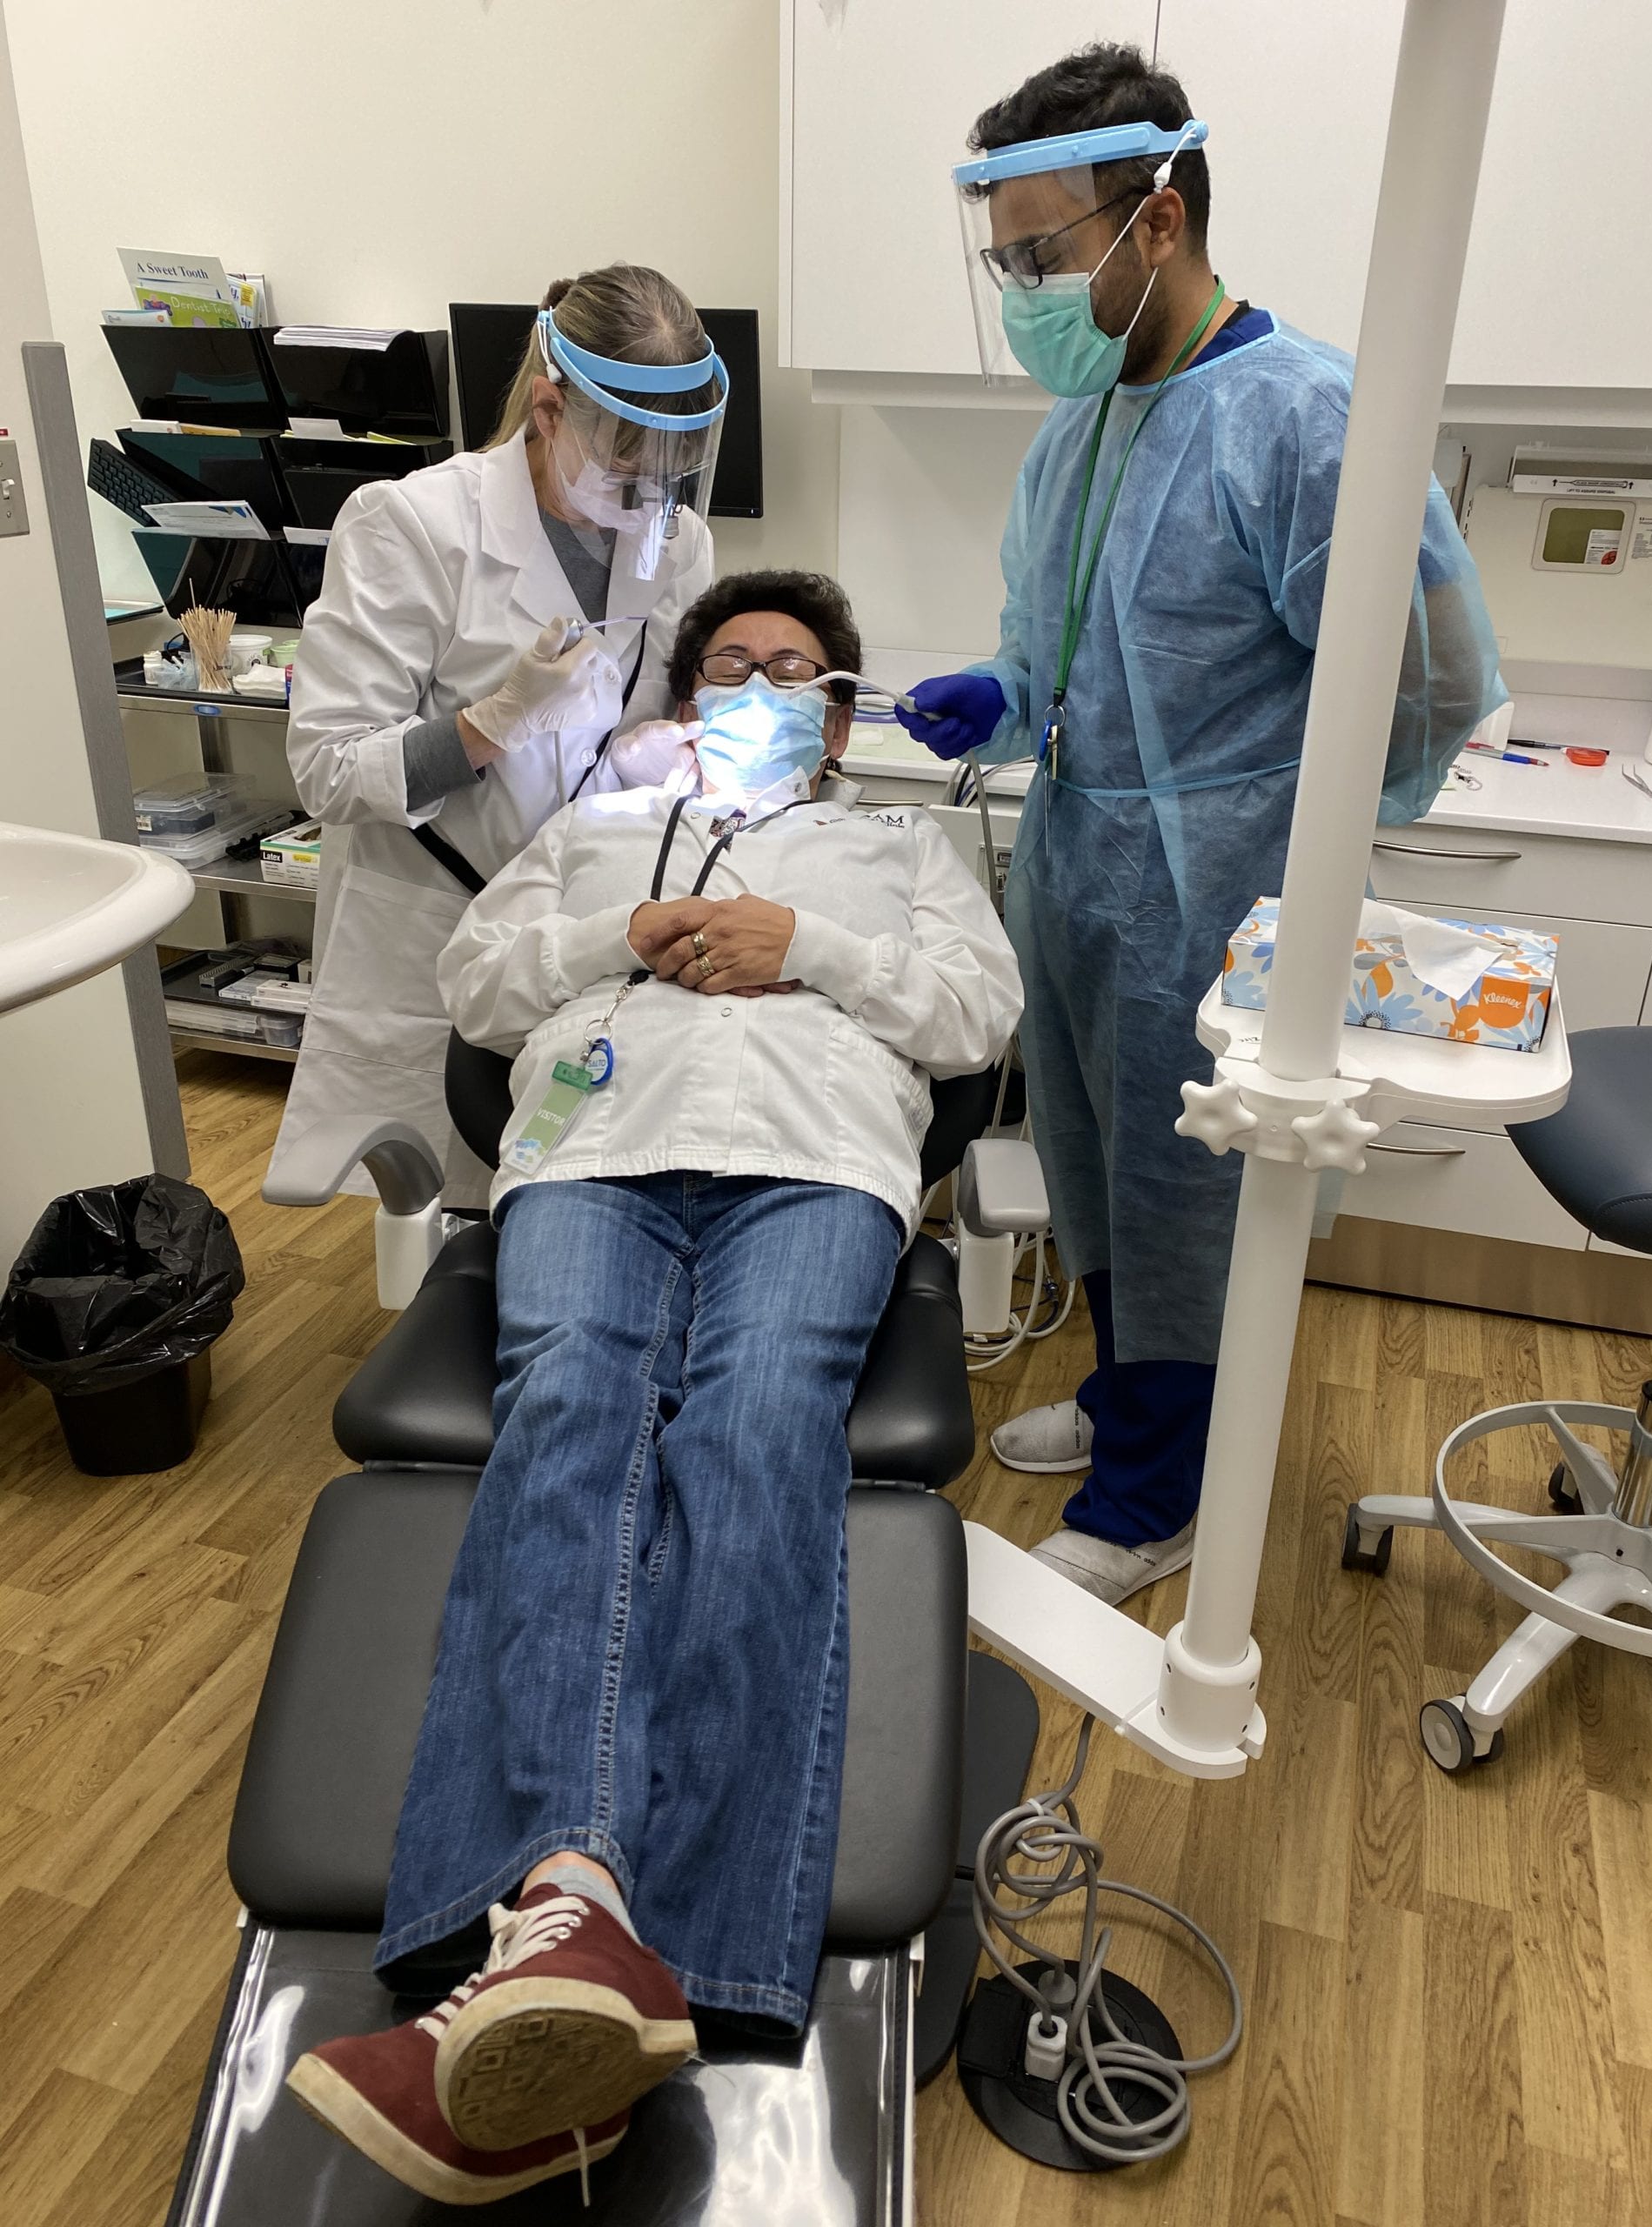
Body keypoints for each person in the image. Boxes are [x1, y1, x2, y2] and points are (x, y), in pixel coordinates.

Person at [284, 569, 1022, 2206]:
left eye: (798, 671)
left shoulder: (903, 853)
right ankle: (572, 1911)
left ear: (839, 716)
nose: (762, 685)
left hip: (815, 1161)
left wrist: (802, 945)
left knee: (757, 1442)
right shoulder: (594, 831)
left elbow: (980, 1018)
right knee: (566, 1431)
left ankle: (616, 1937)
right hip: (590, 1156)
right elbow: (476, 987)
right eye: (733, 665)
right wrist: (616, 938)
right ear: (686, 698)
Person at [895, 43, 1505, 1607]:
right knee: (1097, 1168)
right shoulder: (1081, 431)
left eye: (1044, 251)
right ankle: (1126, 1410)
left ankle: (1164, 1490)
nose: (1026, 286)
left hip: (1227, 903)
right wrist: (999, 695)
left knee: (1193, 1199)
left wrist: (1309, 837)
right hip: (1085, 880)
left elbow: (1434, 675)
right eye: (1006, 257)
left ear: (1153, 221)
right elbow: (1054, 653)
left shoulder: (1302, 419)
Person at [271, 264, 727, 1207]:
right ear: (551, 409)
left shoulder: (678, 542)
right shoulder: (414, 525)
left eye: (668, 474)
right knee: (453, 1220)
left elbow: (658, 709)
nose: (650, 501)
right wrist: (489, 725)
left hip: (591, 921)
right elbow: (325, 769)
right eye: (625, 467)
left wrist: (674, 739)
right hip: (440, 927)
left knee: (586, 1200)